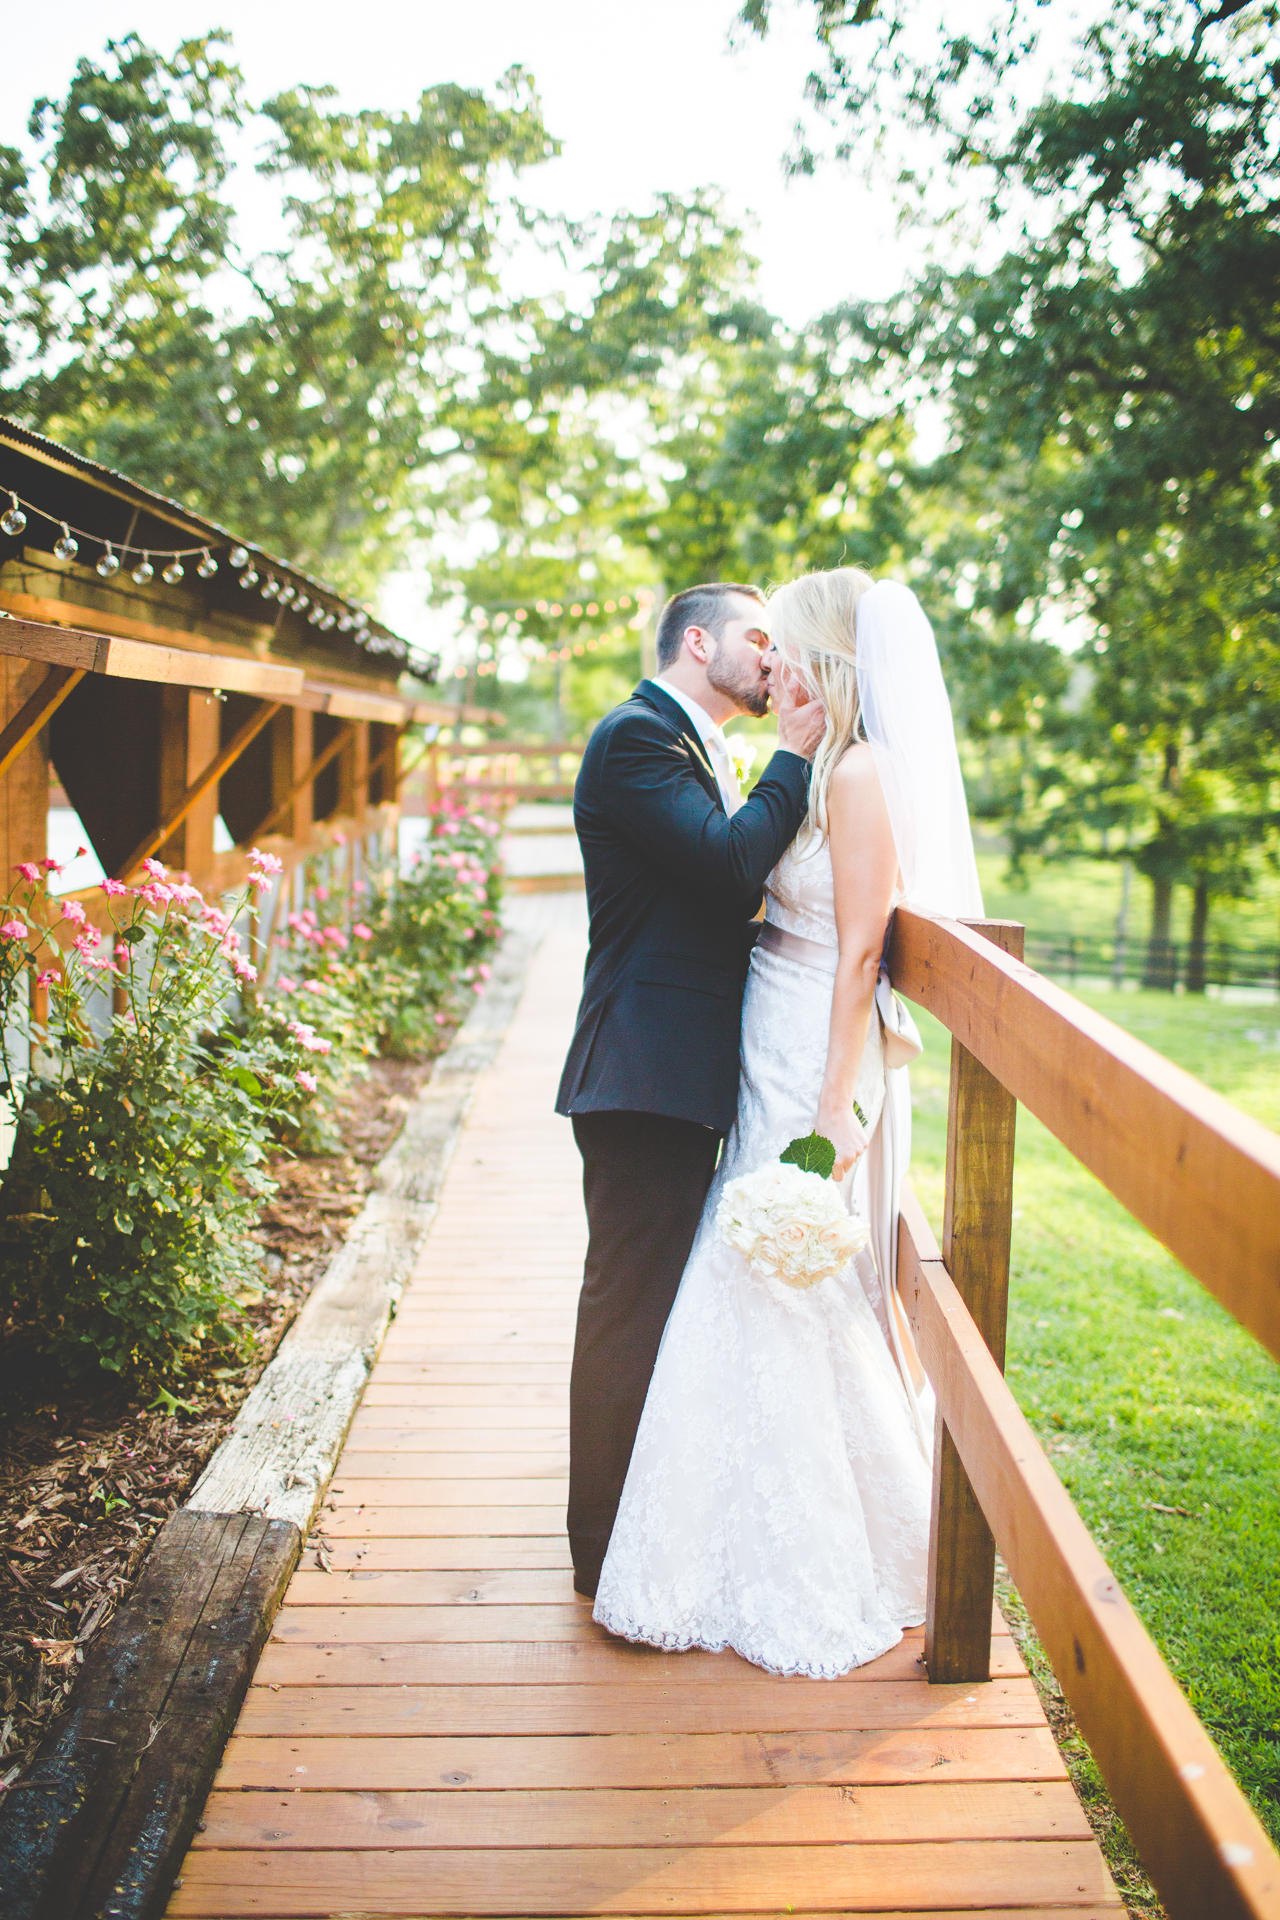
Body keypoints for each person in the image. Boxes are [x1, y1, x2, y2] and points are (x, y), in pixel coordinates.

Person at [592, 567, 985, 1676]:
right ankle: (716, 1530)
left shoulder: (857, 772)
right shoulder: (814, 767)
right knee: (751, 1281)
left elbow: (861, 948)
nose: (773, 664)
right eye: (758, 644)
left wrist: (831, 1109)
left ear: (826, 656)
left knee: (779, 1280)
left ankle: (807, 1555)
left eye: (786, 644)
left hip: (803, 1053)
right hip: (761, 1037)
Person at [556, 581, 825, 1600]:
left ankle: (635, 1531)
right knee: (627, 1309)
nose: (771, 658)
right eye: (758, 639)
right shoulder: (634, 738)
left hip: (678, 1072)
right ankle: (599, 1553)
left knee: (657, 1303)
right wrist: (796, 755)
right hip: (640, 1071)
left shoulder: (693, 745)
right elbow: (725, 868)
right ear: (697, 640)